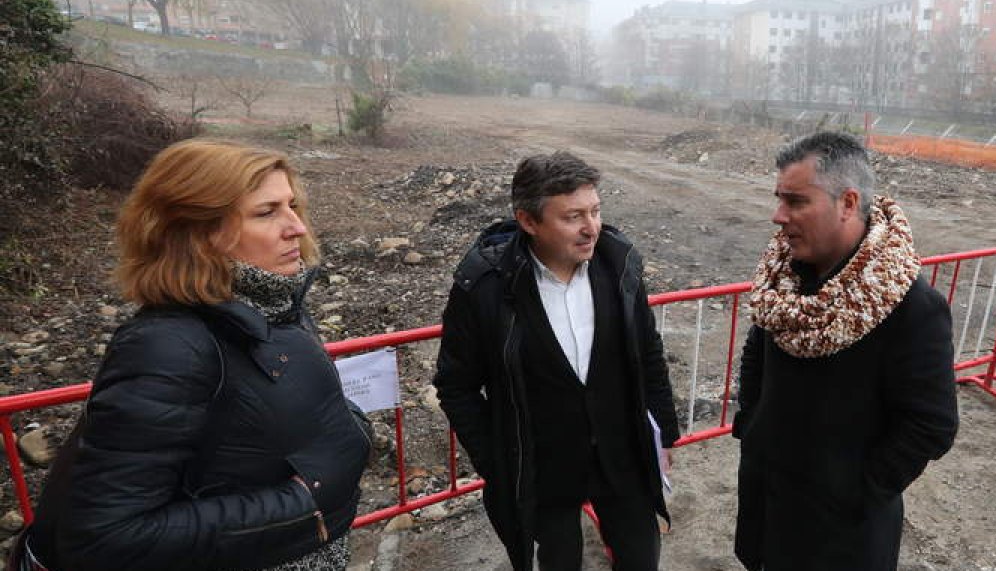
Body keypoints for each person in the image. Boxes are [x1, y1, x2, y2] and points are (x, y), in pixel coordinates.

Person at [23, 139, 371, 571]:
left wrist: (347, 423)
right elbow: (105, 538)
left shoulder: (275, 305)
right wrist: (304, 501)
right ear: (196, 233)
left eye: (292, 205)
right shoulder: (168, 348)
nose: (296, 226)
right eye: (266, 212)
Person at [434, 151, 680, 571]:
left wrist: (663, 435)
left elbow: (648, 352)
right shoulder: (485, 287)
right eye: (573, 217)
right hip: (543, 465)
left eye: (596, 211)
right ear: (528, 221)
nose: (591, 229)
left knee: (641, 559)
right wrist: (496, 457)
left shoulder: (620, 267)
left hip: (622, 454)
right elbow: (456, 385)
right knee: (558, 561)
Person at [732, 132, 959, 571]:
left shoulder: (912, 309)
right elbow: (757, 353)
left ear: (848, 203)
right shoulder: (782, 282)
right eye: (779, 199)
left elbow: (931, 425)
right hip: (768, 507)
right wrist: (752, 424)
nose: (778, 216)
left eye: (796, 202)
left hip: (840, 540)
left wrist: (853, 491)